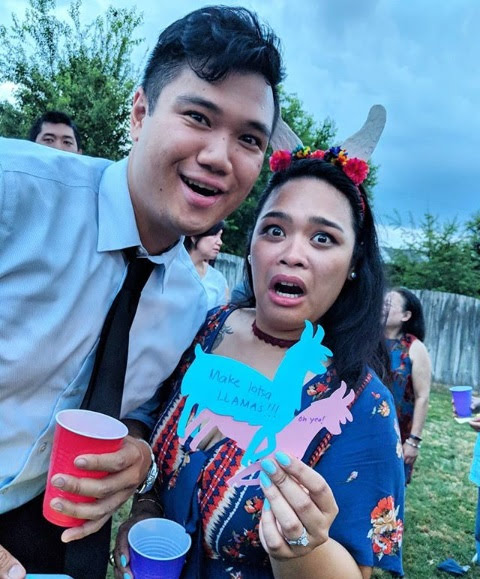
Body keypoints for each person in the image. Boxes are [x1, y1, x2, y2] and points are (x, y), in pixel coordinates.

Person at [0, 6, 283, 578]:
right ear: (139, 112)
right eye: (198, 116)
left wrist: (139, 453)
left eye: (249, 139)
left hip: (49, 533)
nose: (218, 157)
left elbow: (134, 410)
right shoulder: (14, 194)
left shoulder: (193, 306)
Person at [114, 145, 405, 577]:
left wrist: (300, 548)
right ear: (251, 248)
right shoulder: (203, 329)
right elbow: (150, 431)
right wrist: (145, 508)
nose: (291, 253)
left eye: (323, 238)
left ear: (353, 265)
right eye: (274, 230)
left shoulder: (362, 405)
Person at [384, 288, 432, 484]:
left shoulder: (414, 347)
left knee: (390, 490)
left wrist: (414, 441)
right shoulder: (367, 340)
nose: (381, 308)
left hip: (397, 433)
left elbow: (422, 396)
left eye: (388, 304)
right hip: (362, 428)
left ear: (406, 315)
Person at [185, 221, 229, 310]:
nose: (220, 242)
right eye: (214, 235)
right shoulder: (168, 269)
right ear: (194, 236)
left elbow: (218, 315)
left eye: (220, 236)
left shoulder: (218, 279)